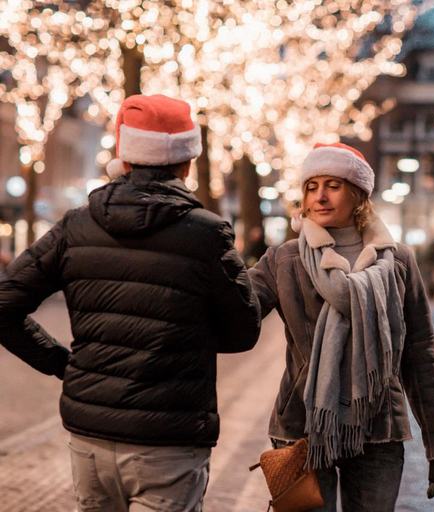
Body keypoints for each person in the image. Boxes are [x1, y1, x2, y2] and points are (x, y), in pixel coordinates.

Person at [0, 94, 260, 512]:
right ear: (187, 162)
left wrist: (61, 364)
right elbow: (243, 331)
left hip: (89, 437)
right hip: (168, 439)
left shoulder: (75, 226)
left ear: (124, 156)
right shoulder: (207, 234)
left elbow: (4, 306)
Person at [248, 142, 434, 511]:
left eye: (333, 185)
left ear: (358, 194)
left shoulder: (397, 262)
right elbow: (235, 310)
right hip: (303, 429)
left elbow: (420, 353)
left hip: (378, 428)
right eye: (311, 187)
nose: (320, 196)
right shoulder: (284, 259)